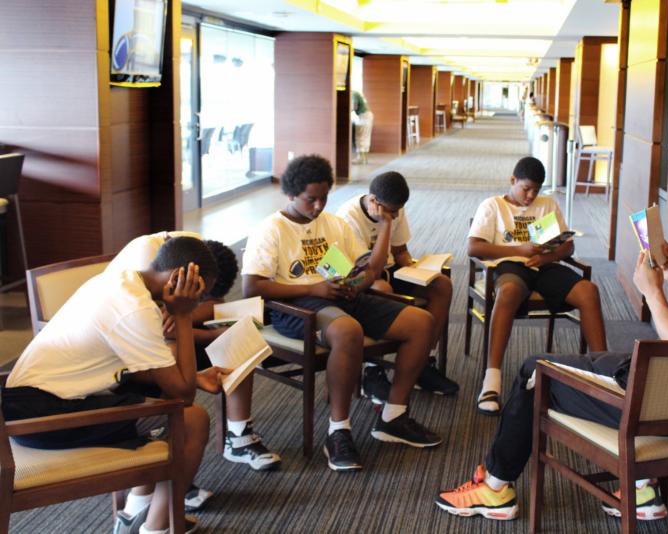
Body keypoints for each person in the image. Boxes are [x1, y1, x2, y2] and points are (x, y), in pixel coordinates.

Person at [436, 168, 668, 521]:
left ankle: (495, 489)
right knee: (599, 360)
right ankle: (642, 487)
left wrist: (651, 292)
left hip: (661, 406)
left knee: (534, 371)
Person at [2, 237, 229, 534]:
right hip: (44, 421)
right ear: (179, 279)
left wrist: (195, 377)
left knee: (159, 394)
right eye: (200, 294)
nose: (199, 302)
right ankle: (156, 528)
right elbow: (183, 395)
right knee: (193, 420)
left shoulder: (119, 281)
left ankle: (137, 510)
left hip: (32, 405)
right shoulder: (135, 309)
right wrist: (183, 315)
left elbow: (143, 372)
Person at [241, 154, 442, 472]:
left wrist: (360, 277)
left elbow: (370, 269)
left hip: (339, 296)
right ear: (291, 193)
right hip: (296, 305)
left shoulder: (333, 223)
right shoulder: (272, 229)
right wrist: (313, 289)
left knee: (421, 322)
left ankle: (393, 416)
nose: (319, 205)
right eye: (311, 199)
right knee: (348, 331)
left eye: (324, 198)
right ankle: (339, 430)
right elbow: (252, 288)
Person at [107, 233, 280, 506]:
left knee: (238, 334)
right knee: (180, 358)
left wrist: (217, 323)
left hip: (158, 334)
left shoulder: (197, 254)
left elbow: (185, 317)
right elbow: (165, 329)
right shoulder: (152, 266)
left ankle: (239, 435)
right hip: (127, 355)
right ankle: (169, 473)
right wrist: (211, 335)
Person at [467, 156, 606, 415]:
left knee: (589, 291)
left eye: (536, 190)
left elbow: (568, 246)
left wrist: (548, 256)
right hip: (509, 265)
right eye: (526, 189)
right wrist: (518, 248)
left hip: (543, 264)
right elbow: (473, 247)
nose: (531, 196)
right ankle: (491, 378)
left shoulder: (547, 204)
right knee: (508, 292)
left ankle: (603, 373)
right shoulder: (493, 206)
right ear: (513, 181)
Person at [336, 171, 458, 402]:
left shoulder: (394, 209)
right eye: (390, 211)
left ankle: (421, 362)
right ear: (374, 201)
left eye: (397, 211)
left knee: (441, 285)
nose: (394, 215)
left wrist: (419, 269)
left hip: (389, 270)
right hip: (360, 278)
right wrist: (384, 225)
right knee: (383, 291)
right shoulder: (348, 217)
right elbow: (370, 270)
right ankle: (373, 369)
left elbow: (400, 251)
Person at [352, 91, 373, 164]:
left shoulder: (353, 94)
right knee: (365, 137)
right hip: (367, 115)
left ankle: (360, 158)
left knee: (360, 136)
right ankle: (364, 159)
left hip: (363, 116)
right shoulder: (357, 93)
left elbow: (354, 107)